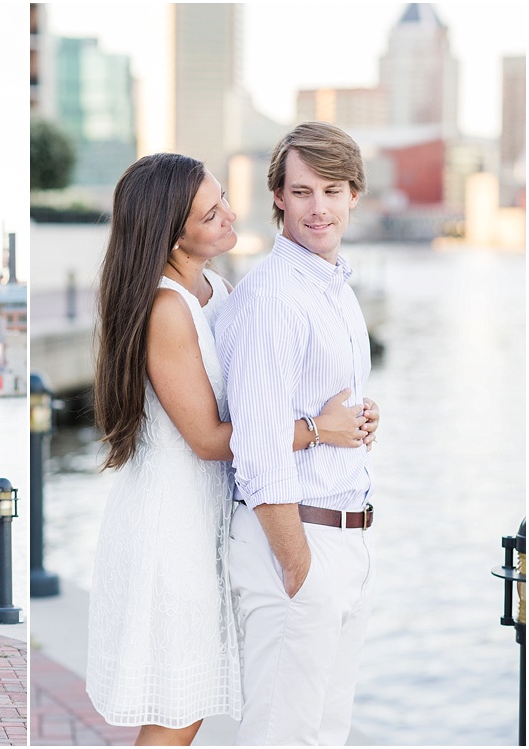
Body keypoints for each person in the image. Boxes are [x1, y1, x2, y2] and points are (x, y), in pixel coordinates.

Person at [86, 152, 376, 746]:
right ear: (170, 231)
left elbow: (258, 393)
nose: (231, 215)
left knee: (200, 700)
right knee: (177, 709)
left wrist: (346, 417)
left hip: (214, 514)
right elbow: (210, 438)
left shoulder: (216, 288)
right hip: (174, 522)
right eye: (210, 212)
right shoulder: (168, 308)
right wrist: (320, 429)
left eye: (223, 200)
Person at [215, 121, 378, 745]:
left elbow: (319, 398)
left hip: (346, 535)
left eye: (332, 191)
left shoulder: (332, 285)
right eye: (303, 191)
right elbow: (255, 448)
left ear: (354, 195)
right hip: (298, 538)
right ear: (277, 196)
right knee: (282, 737)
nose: (319, 208)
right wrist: (299, 568)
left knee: (323, 734)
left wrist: (363, 416)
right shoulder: (275, 296)